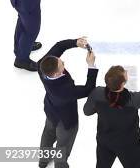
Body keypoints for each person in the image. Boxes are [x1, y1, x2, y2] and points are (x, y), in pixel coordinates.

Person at [83, 49, 140, 168]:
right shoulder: (133, 100)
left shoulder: (97, 94)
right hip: (129, 145)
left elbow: (87, 112)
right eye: (125, 74)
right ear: (122, 84)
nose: (126, 72)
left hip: (105, 142)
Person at [38, 37, 98, 168]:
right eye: (61, 65)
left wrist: (75, 42)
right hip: (66, 121)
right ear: (55, 74)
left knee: (48, 134)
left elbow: (59, 46)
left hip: (51, 111)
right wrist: (91, 65)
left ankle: (43, 161)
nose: (63, 61)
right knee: (63, 147)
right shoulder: (65, 91)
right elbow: (89, 89)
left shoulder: (42, 65)